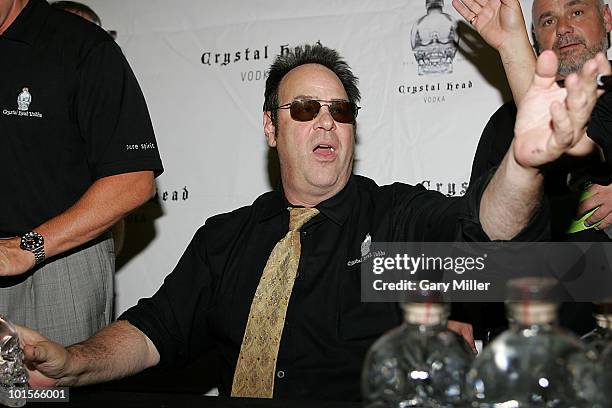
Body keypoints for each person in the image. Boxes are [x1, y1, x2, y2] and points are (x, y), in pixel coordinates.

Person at [17, 43, 607, 401]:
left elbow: (494, 245)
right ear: (272, 129)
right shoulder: (225, 239)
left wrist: (523, 165)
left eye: (340, 111)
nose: (325, 122)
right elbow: (153, 332)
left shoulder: (394, 225)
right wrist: (75, 361)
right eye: (303, 109)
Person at [0, 0, 163, 347]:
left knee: (48, 395)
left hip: (53, 266)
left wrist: (26, 248)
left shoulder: (83, 47)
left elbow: (133, 180)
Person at [453, 0, 612, 336]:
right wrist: (462, 313)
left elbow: (579, 146)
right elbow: (475, 231)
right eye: (548, 20)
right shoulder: (504, 124)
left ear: (607, 18)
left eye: (577, 12)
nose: (564, 27)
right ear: (536, 39)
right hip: (527, 344)